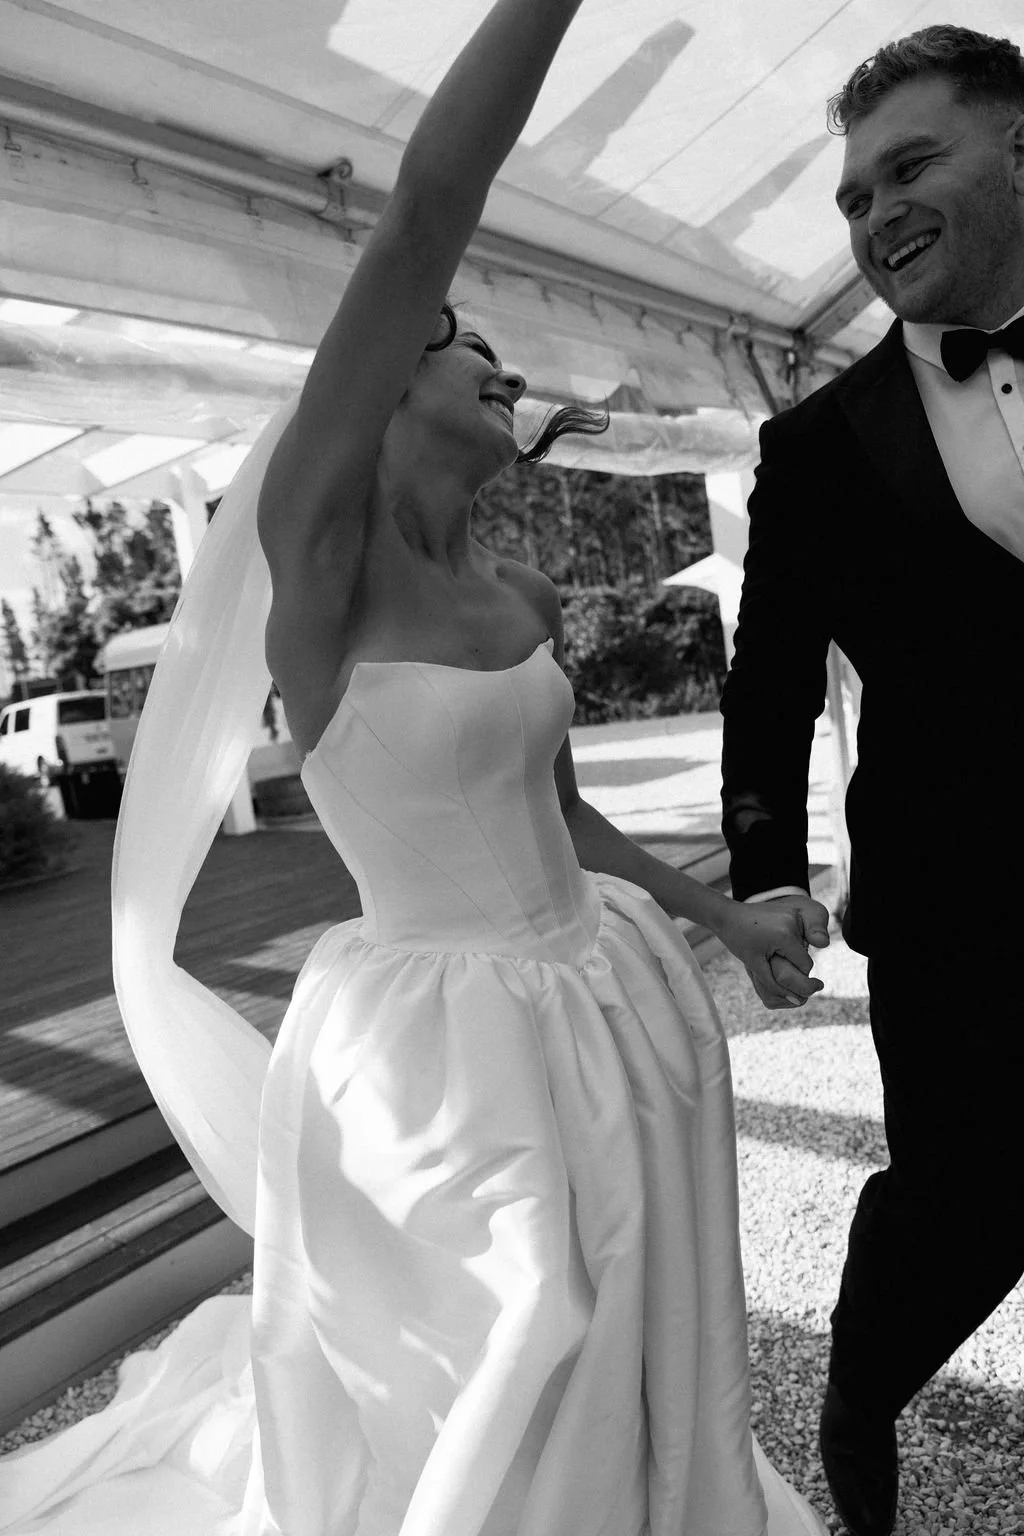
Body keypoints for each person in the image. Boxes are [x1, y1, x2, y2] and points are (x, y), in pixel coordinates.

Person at [0, 3, 830, 1533]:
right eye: (470, 352)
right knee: (508, 1350)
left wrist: (726, 918)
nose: (503, 374)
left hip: (609, 997)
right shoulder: (322, 572)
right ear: (377, 398)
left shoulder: (518, 592)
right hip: (440, 1059)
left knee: (630, 1334)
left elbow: (562, 815)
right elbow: (427, 210)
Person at [720, 23, 1024, 1536]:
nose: (876, 214)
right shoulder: (817, 446)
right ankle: (861, 1389)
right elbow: (770, 676)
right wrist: (765, 871)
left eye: (911, 167)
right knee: (962, 1200)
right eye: (854, 198)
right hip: (955, 909)